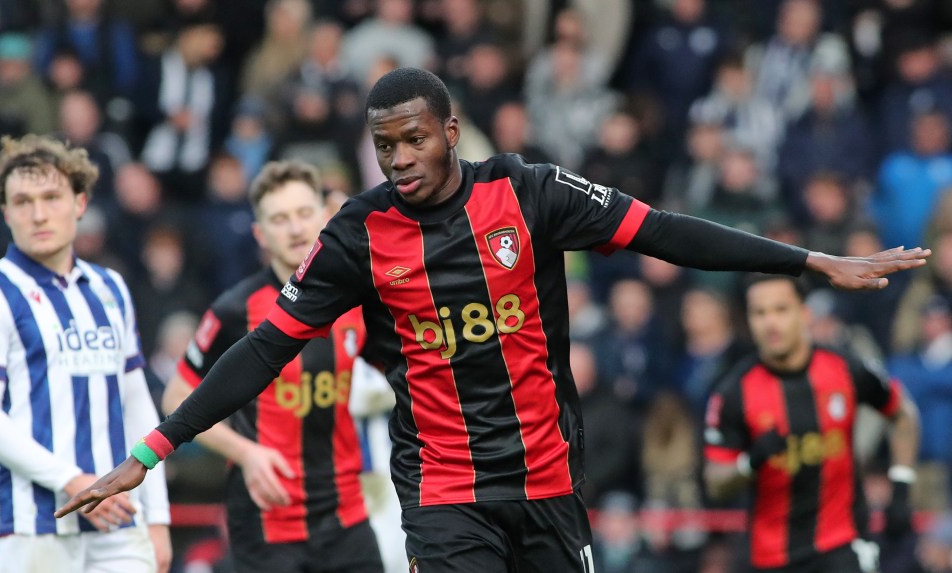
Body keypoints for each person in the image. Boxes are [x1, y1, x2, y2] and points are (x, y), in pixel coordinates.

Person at [58, 68, 930, 573]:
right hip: (442, 491)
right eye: (384, 145)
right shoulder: (358, 234)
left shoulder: (529, 192)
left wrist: (809, 260)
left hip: (549, 481)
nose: (399, 158)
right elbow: (264, 351)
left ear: (451, 127)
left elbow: (665, 233)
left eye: (414, 139)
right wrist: (148, 455)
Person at [159, 161, 384, 573]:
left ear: (323, 216)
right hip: (265, 521)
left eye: (303, 213)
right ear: (261, 234)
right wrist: (245, 453)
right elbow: (176, 397)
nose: (296, 229)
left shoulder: (358, 296)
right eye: (280, 219)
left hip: (347, 514)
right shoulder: (233, 310)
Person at [0, 135, 170, 572]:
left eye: (51, 196)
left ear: (80, 202)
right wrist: (73, 482)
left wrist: (159, 514)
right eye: (23, 201)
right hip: (32, 527)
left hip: (120, 520)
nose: (38, 213)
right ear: (6, 212)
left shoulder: (111, 287)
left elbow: (135, 401)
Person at [703, 274, 921, 573]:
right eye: (760, 313)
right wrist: (749, 463)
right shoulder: (733, 392)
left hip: (843, 544)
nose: (770, 323)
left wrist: (901, 485)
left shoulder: (845, 367)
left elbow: (903, 414)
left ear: (804, 313)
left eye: (781, 310)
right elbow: (715, 482)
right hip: (770, 555)